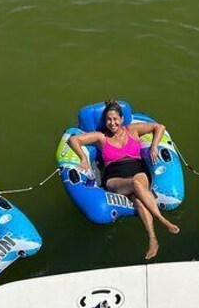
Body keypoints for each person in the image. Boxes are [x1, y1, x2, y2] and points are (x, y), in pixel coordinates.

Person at [68, 101, 179, 260]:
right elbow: (74, 140)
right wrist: (83, 158)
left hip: (137, 169)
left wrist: (154, 146)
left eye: (115, 119)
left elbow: (159, 127)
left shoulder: (132, 130)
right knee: (135, 185)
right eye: (108, 119)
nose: (112, 123)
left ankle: (153, 239)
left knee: (138, 197)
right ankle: (162, 220)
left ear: (121, 119)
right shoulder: (101, 137)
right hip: (114, 177)